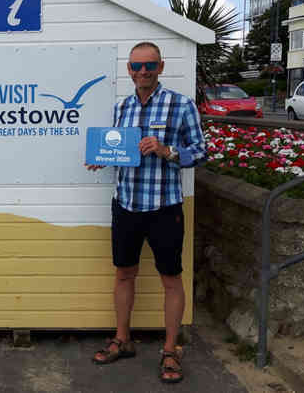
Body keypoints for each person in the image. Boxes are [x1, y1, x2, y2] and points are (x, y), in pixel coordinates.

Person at [86, 42, 206, 384]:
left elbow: (200, 152)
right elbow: (119, 151)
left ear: (161, 67)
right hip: (125, 204)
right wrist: (102, 158)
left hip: (164, 206)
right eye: (137, 66)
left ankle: (170, 350)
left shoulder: (181, 105)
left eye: (149, 66)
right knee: (124, 274)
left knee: (171, 279)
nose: (143, 72)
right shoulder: (121, 107)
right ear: (128, 70)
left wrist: (166, 150)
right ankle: (122, 340)